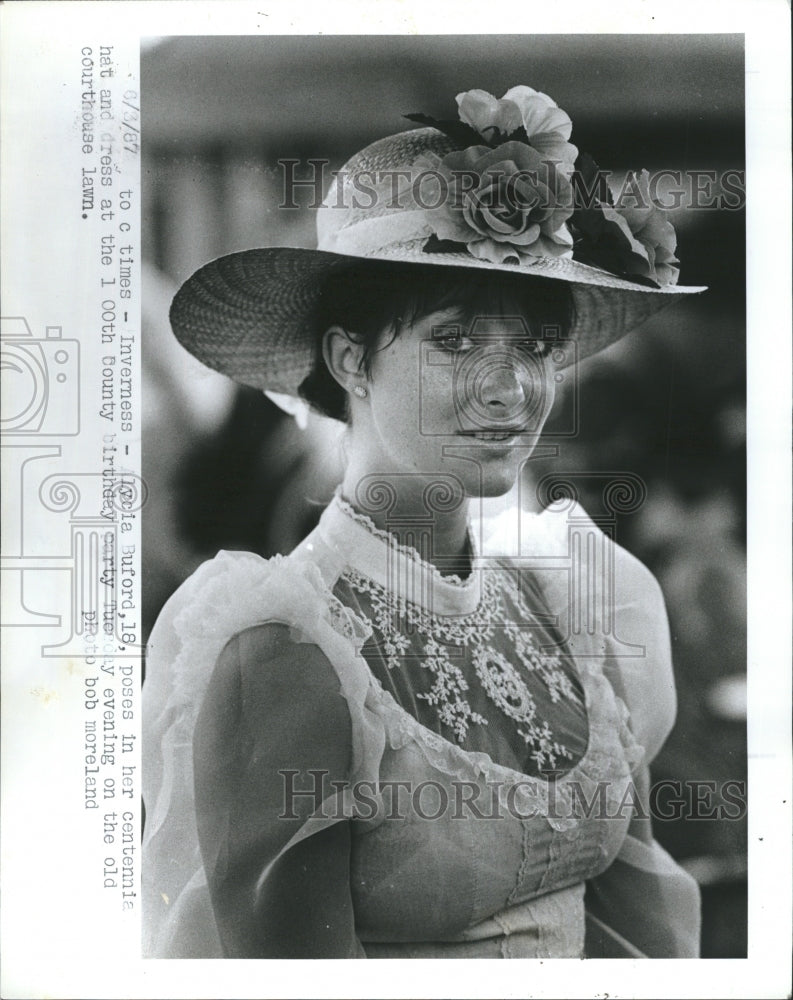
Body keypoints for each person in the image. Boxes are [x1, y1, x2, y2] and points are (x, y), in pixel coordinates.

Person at [142, 84, 703, 958]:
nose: (508, 389)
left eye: (534, 346)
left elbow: (642, 935)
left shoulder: (576, 608)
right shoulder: (285, 651)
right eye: (452, 341)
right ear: (349, 359)